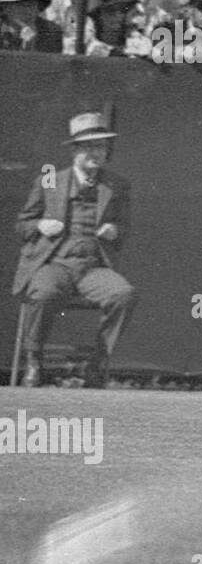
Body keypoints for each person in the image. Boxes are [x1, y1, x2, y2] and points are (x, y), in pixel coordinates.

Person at [12, 113, 139, 388]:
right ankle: (33, 360)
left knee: (123, 294)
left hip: (93, 266)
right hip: (54, 263)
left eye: (102, 147)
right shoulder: (50, 180)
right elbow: (22, 225)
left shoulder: (117, 185)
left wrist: (114, 231)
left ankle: (98, 363)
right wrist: (41, 224)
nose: (97, 153)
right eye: (90, 147)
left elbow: (124, 229)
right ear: (74, 151)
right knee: (44, 292)